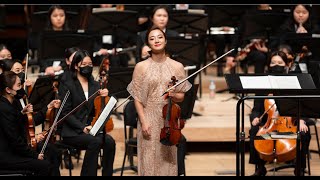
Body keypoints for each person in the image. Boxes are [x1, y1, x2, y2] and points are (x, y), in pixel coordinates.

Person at [127, 26, 192, 176]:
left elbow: (181, 96)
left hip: (168, 121)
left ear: (166, 40)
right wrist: (143, 121)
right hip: (148, 117)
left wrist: (173, 94)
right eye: (152, 38)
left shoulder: (177, 66)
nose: (156, 40)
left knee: (168, 164)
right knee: (149, 162)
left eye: (159, 37)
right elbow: (137, 98)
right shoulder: (140, 67)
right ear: (148, 44)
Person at [249, 51, 310, 176]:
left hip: (289, 125)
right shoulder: (263, 85)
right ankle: (260, 168)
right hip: (269, 126)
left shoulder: (293, 83)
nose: (276, 65)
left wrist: (302, 120)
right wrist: (255, 118)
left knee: (304, 134)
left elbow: (303, 106)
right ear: (269, 65)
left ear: (286, 65)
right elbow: (256, 109)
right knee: (254, 130)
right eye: (273, 63)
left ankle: (299, 169)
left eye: (279, 63)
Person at [58, 49, 116, 176]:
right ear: (76, 66)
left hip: (91, 129)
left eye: (90, 64)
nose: (88, 67)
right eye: (84, 64)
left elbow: (98, 110)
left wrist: (104, 98)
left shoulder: (95, 85)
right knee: (94, 142)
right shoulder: (67, 84)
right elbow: (65, 112)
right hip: (72, 132)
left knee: (109, 142)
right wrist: (82, 127)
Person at [0, 71, 61, 176]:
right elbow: (15, 140)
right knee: (44, 165)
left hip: (15, 149)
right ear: (8, 90)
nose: (21, 89)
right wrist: (34, 155)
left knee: (53, 152)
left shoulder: (12, 103)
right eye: (19, 85)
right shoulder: (4, 108)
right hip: (7, 155)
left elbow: (22, 122)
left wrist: (22, 113)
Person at [225, 5, 270, 74]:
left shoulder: (276, 15)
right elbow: (238, 35)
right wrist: (231, 55)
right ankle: (259, 81)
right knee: (260, 57)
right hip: (250, 49)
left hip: (271, 47)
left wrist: (268, 49)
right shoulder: (248, 14)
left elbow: (280, 36)